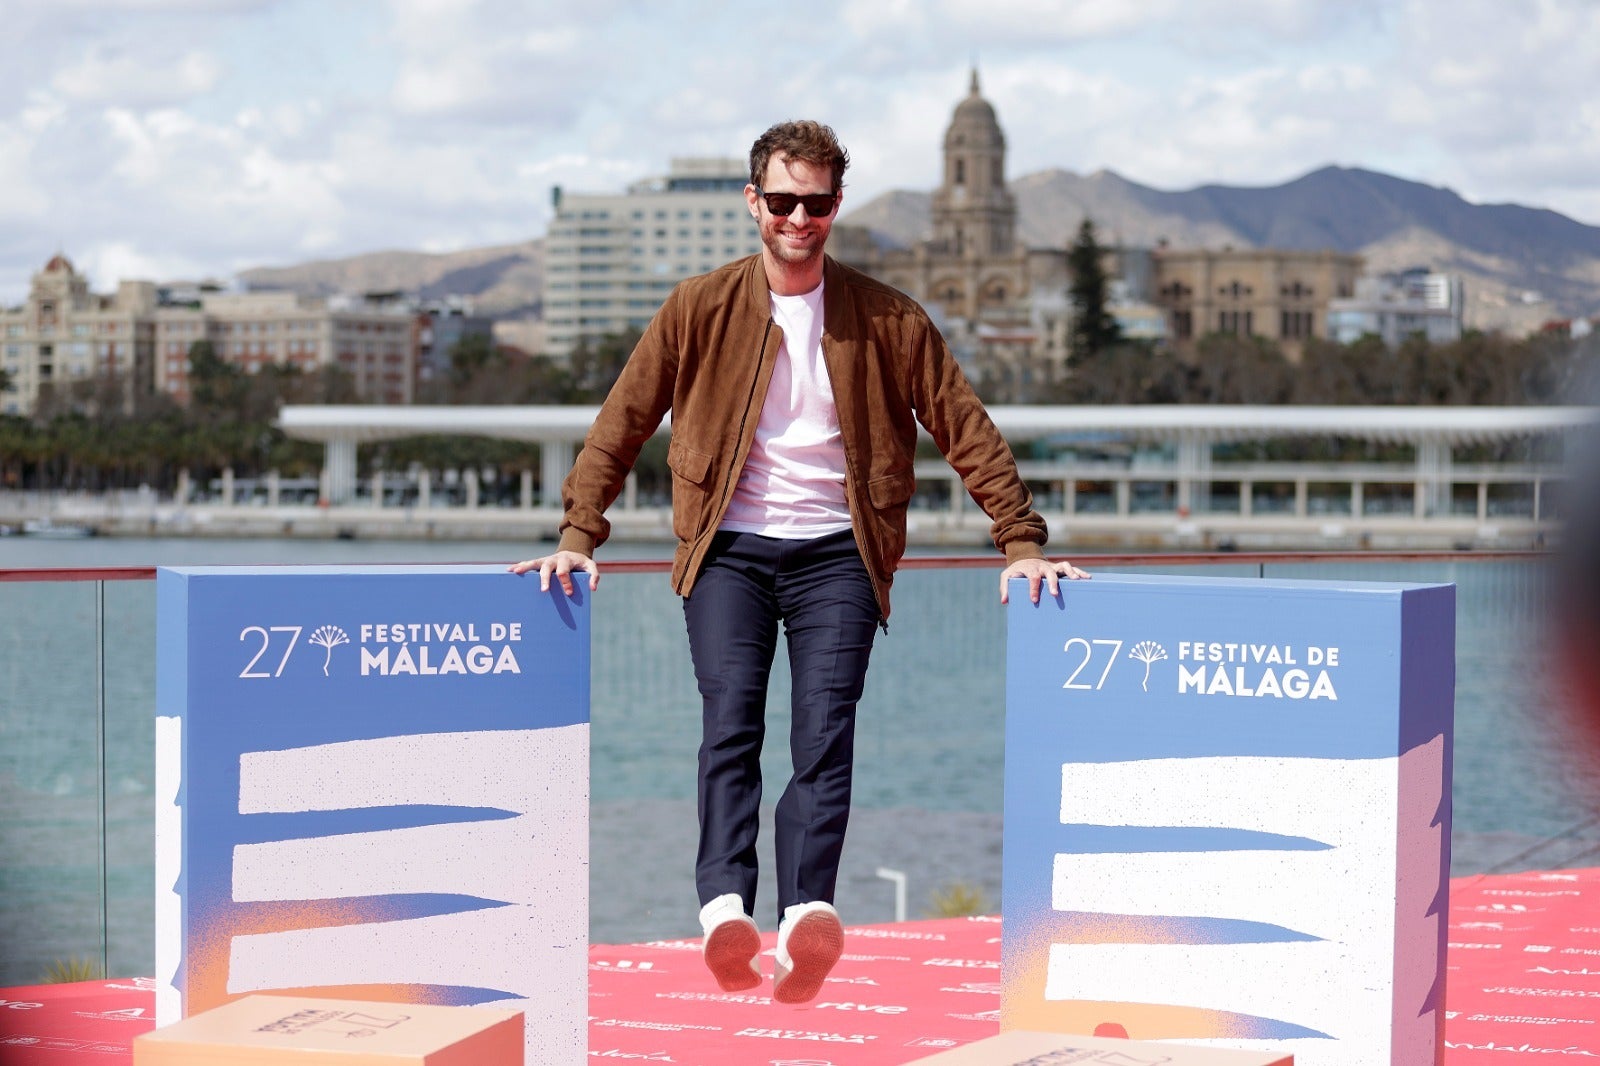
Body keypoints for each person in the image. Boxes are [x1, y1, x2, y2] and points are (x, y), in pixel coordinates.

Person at [512, 120, 1087, 1004]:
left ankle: (805, 912)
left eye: (815, 203)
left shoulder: (889, 318)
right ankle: (724, 908)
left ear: (835, 207)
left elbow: (963, 424)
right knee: (730, 723)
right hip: (729, 552)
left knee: (825, 735)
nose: (798, 218)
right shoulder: (698, 307)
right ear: (754, 202)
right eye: (781, 200)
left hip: (838, 557)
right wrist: (578, 535)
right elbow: (620, 424)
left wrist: (1021, 541)